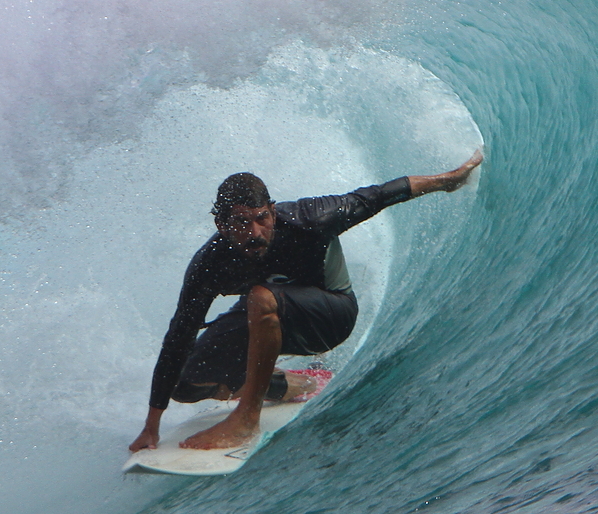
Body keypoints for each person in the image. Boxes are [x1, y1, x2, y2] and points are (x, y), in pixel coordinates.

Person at [129, 148, 484, 453]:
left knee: (259, 297)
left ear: (271, 210)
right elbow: (177, 339)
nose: (255, 232)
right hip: (267, 314)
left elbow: (378, 195)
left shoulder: (309, 219)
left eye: (261, 219)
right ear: (221, 225)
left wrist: (448, 180)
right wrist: (151, 426)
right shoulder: (209, 265)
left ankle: (246, 419)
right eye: (241, 223)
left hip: (331, 316)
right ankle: (281, 385)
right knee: (186, 382)